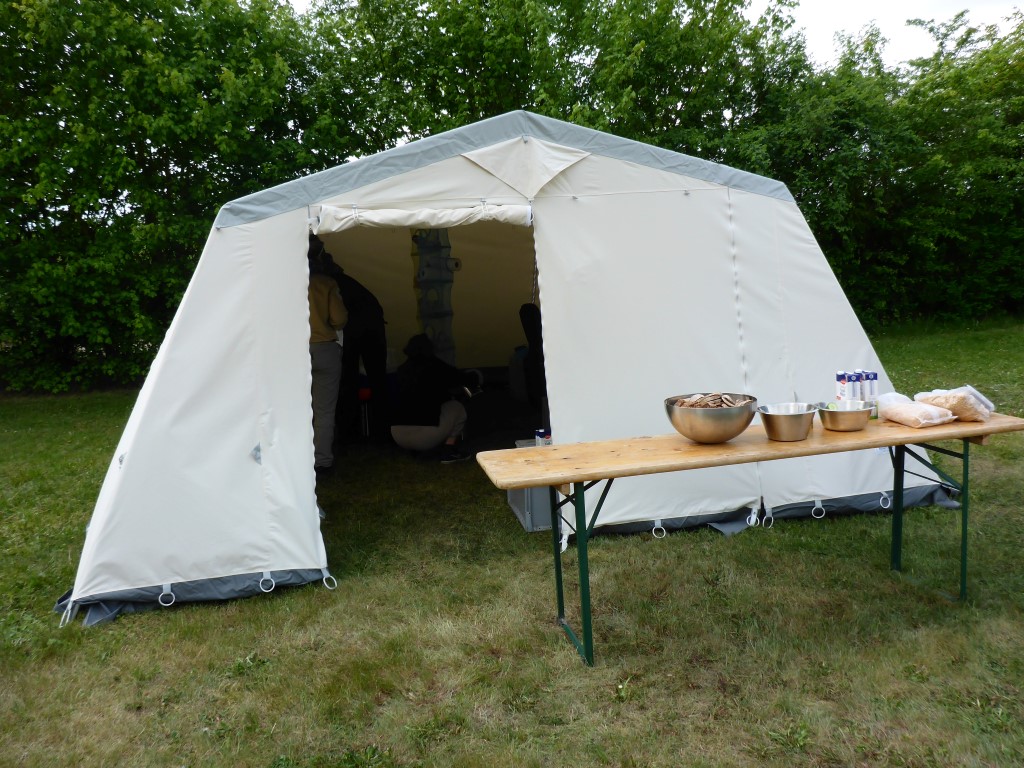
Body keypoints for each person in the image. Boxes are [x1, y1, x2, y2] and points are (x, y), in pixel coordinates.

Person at [310, 236, 389, 445]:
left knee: (347, 382)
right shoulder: (343, 283)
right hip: (370, 325)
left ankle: (349, 436)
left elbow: (338, 319)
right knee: (376, 380)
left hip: (349, 332)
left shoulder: (325, 283)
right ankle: (380, 434)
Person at [390, 334, 478, 463]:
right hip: (425, 436)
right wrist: (475, 377)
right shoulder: (436, 366)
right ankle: (449, 451)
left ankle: (416, 450)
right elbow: (460, 378)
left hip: (397, 434)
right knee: (457, 407)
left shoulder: (401, 370)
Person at [307, 240, 347, 478]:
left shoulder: (283, 282)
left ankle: (295, 458)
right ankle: (322, 461)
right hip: (324, 348)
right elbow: (339, 319)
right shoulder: (326, 283)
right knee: (324, 411)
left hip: (294, 351)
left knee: (294, 408)